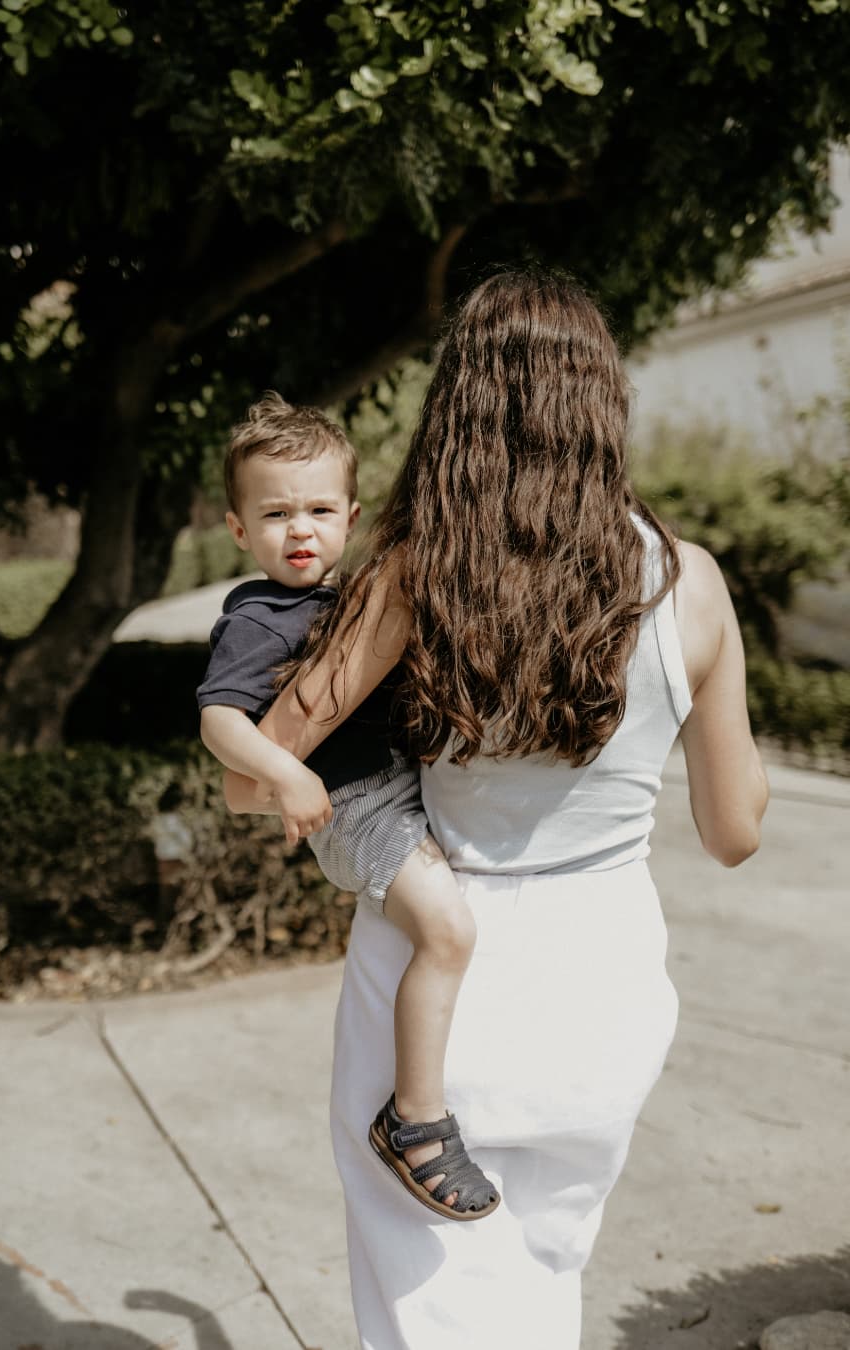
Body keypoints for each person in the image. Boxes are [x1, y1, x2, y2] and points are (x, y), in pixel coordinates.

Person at [223, 271, 770, 1349]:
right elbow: (733, 832)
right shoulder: (690, 580)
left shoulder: (416, 572)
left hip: (440, 992)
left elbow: (254, 780)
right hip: (605, 989)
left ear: (459, 410)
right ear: (603, 406)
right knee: (543, 1284)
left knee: (434, 1315)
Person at [197, 393, 499, 1220]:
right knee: (448, 930)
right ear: (238, 529)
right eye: (276, 514)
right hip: (357, 805)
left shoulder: (345, 597)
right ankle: (416, 1121)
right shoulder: (260, 618)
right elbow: (220, 720)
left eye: (320, 511)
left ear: (352, 517)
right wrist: (287, 774)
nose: (300, 530)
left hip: (396, 786)